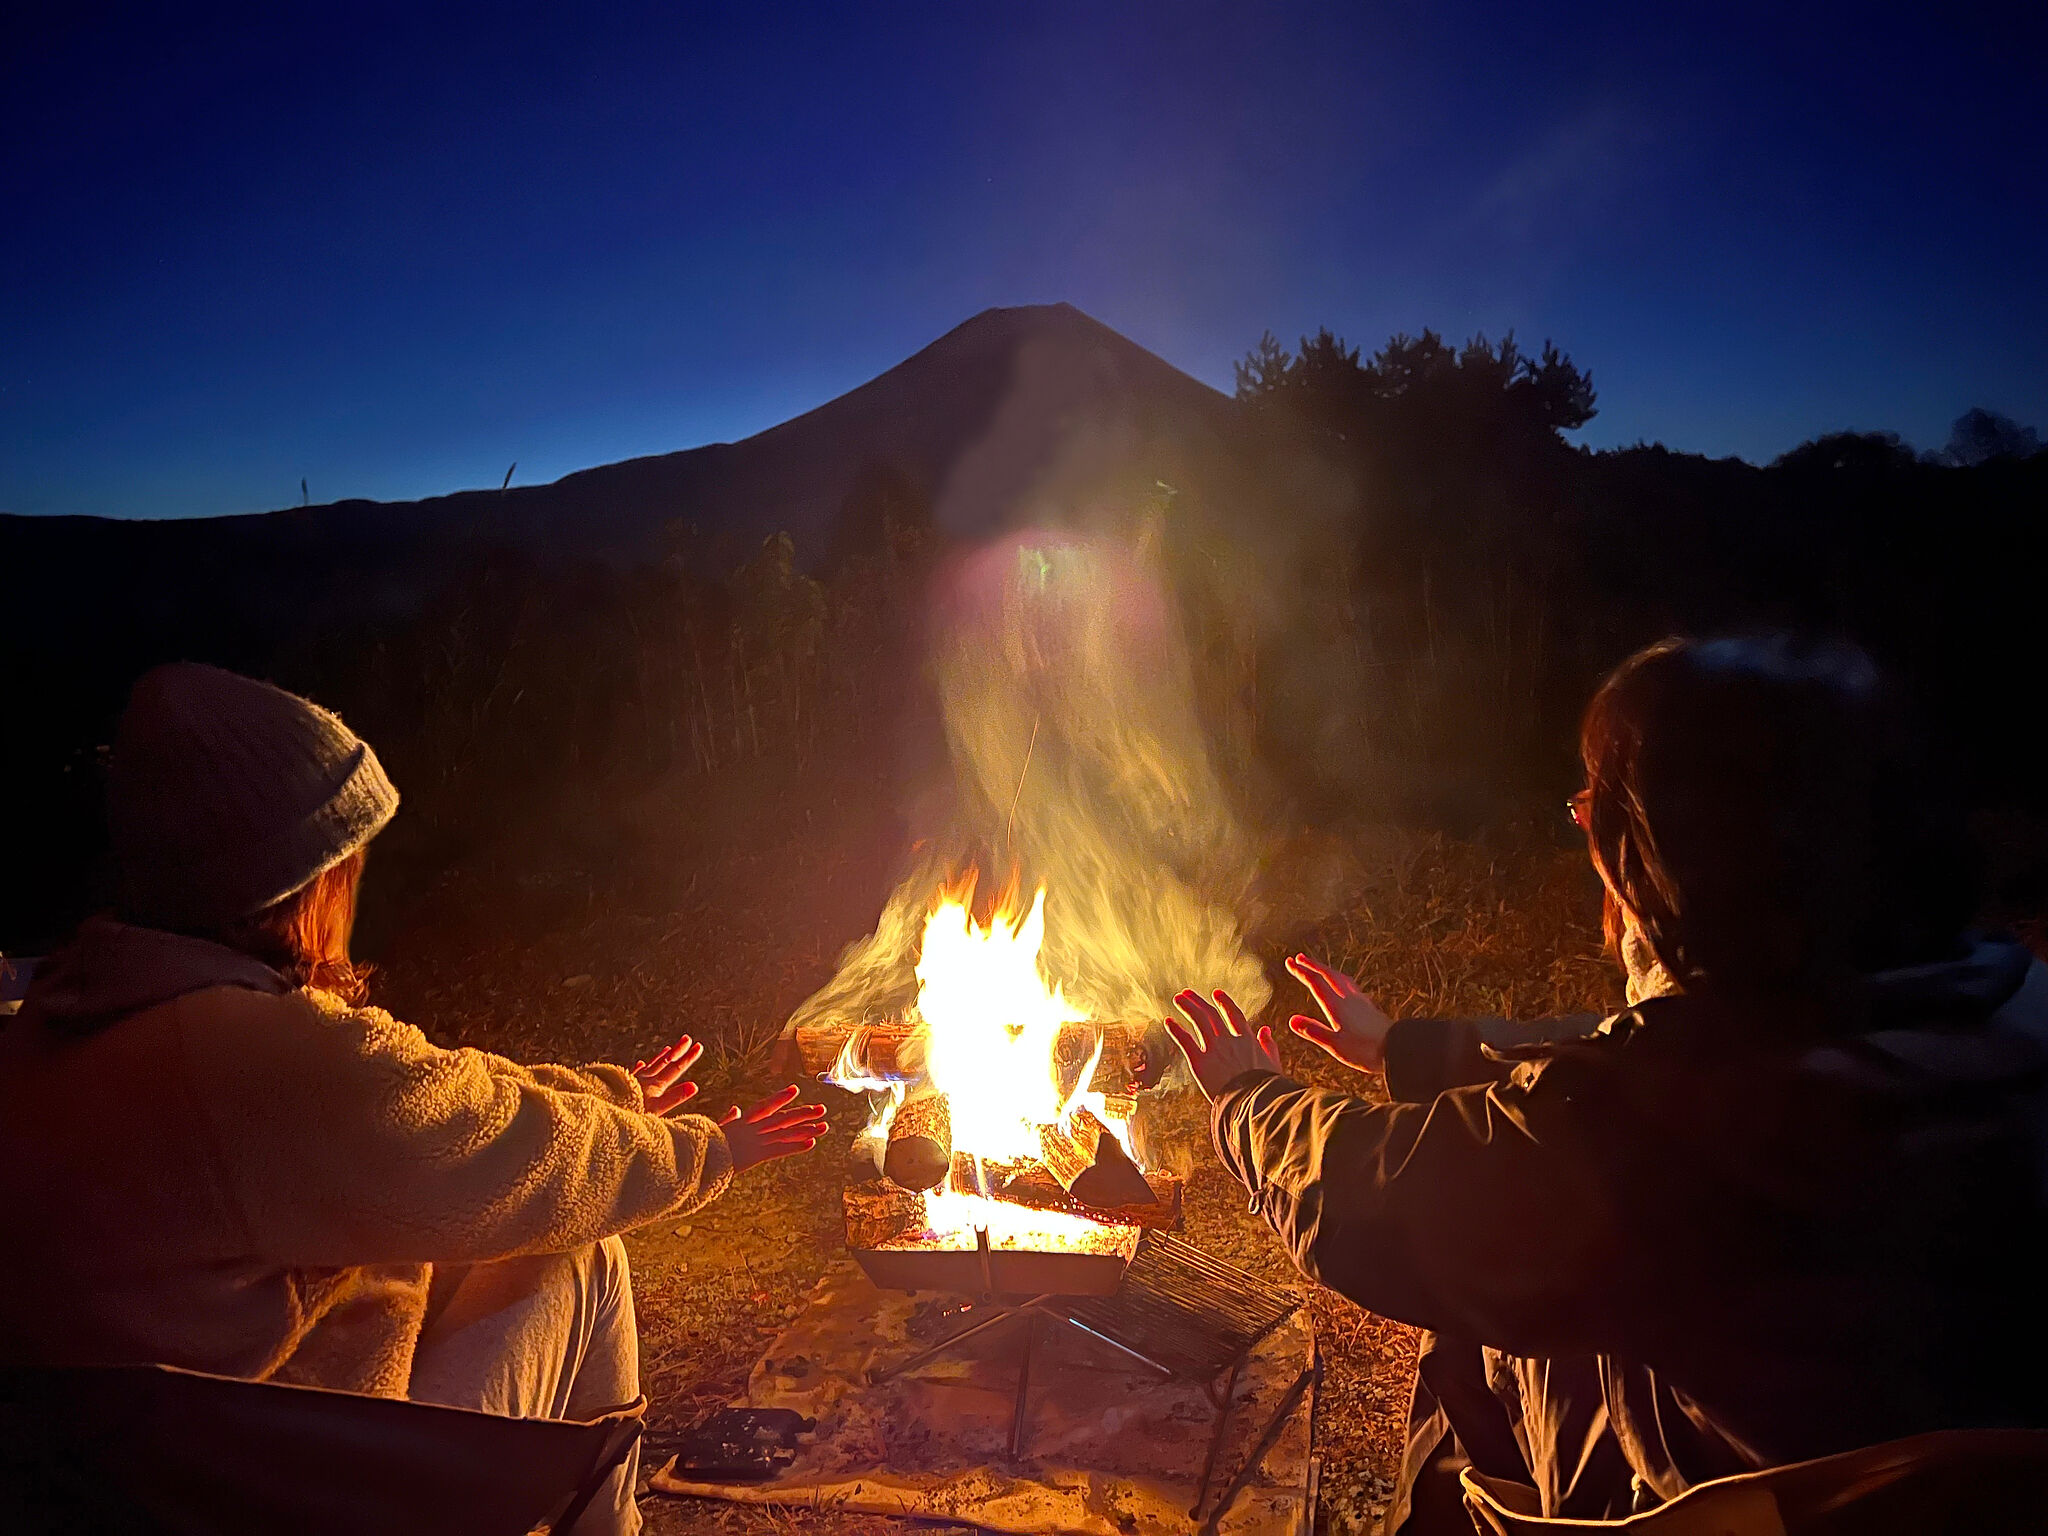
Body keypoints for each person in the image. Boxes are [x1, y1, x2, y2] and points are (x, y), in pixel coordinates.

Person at [1166, 635, 2048, 1529]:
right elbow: (1651, 1056)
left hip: (1716, 1510)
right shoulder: (2003, 1011)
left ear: (1680, 854)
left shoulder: (1652, 1139)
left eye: (1597, 812)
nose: (1589, 837)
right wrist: (1413, 1052)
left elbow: (1372, 1193)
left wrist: (1250, 1098)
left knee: (1479, 1338)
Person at [0, 663, 827, 1535]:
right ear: (297, 876)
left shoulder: (64, 1028)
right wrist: (709, 1151)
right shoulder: (255, 1059)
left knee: (496, 1237)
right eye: (346, 865)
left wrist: (607, 1093)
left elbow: (445, 1106)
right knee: (580, 1251)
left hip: (142, 1482)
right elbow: (511, 1150)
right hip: (300, 1494)